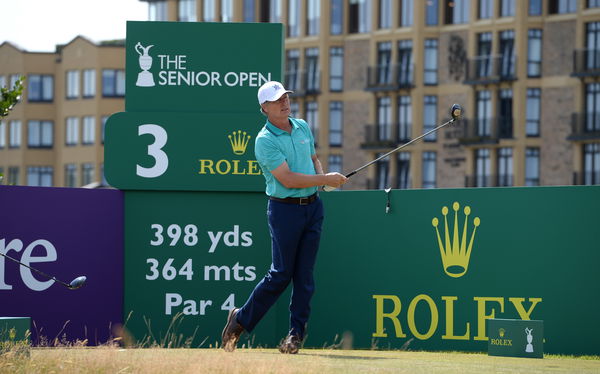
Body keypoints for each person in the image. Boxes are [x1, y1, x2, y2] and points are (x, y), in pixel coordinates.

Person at [221, 81, 347, 354]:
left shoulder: (301, 126)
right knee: (280, 274)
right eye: (278, 100)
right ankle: (239, 319)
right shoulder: (264, 141)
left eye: (286, 97)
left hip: (313, 208)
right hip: (284, 209)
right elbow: (288, 179)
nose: (285, 103)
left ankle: (295, 337)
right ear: (264, 108)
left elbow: (313, 159)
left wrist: (321, 180)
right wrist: (325, 178)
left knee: (304, 277)